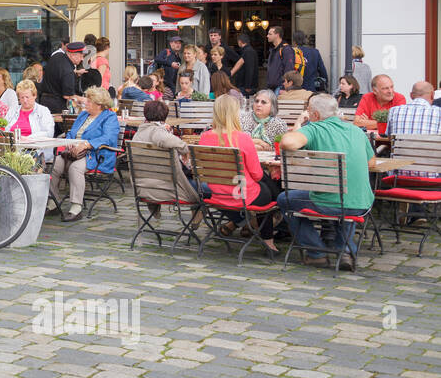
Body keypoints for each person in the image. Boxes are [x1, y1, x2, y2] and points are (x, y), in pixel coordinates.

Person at [278, 94, 375, 266]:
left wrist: (301, 124)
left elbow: (287, 142)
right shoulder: (356, 131)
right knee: (344, 199)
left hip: (329, 201)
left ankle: (316, 253)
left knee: (285, 200)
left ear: (314, 115)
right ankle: (344, 250)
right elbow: (371, 163)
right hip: (361, 203)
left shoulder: (315, 129)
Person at [198, 93, 280, 251]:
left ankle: (247, 224)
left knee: (265, 186)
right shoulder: (242, 138)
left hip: (218, 193)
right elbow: (256, 174)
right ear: (235, 113)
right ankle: (269, 240)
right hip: (241, 194)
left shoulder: (204, 137)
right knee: (268, 190)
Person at [49, 86, 120, 222]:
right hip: (74, 152)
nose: (85, 102)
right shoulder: (83, 114)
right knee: (54, 165)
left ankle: (76, 208)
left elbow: (109, 138)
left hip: (97, 154)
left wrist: (87, 144)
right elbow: (72, 132)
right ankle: (53, 203)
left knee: (75, 168)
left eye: (89, 100)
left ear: (99, 104)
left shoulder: (109, 117)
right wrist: (70, 140)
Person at [131, 99, 201, 211]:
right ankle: (199, 209)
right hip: (169, 190)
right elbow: (164, 139)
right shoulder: (156, 132)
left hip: (143, 188)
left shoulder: (137, 135)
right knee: (209, 189)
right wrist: (184, 149)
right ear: (164, 116)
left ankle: (197, 210)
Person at [2, 80, 55, 160]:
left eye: (27, 97)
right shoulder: (13, 110)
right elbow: (4, 128)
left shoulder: (43, 111)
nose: (25, 100)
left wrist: (28, 139)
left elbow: (49, 133)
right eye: (22, 97)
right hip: (13, 149)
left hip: (35, 151)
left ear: (34, 96)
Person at [39, 41, 86, 114]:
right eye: (81, 56)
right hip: (56, 106)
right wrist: (84, 100)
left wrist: (76, 73)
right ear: (73, 55)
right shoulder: (68, 71)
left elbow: (58, 73)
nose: (82, 59)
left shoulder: (57, 55)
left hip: (44, 101)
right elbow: (68, 96)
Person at [264, 25, 297, 92]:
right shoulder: (273, 50)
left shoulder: (286, 49)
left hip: (280, 88)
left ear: (277, 35)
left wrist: (284, 88)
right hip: (272, 87)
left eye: (270, 34)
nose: (267, 36)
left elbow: (289, 69)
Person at [230, 32, 259, 96]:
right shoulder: (247, 51)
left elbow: (250, 69)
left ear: (240, 41)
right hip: (245, 85)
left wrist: (248, 86)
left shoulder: (248, 51)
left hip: (246, 86)